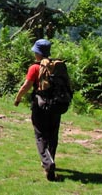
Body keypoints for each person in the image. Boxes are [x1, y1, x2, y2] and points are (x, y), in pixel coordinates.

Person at [14, 39, 61, 181]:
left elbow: (27, 85)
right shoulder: (57, 66)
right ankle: (50, 160)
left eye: (35, 51)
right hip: (56, 105)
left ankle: (48, 164)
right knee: (53, 135)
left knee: (40, 135)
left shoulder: (35, 68)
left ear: (38, 53)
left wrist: (18, 98)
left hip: (40, 105)